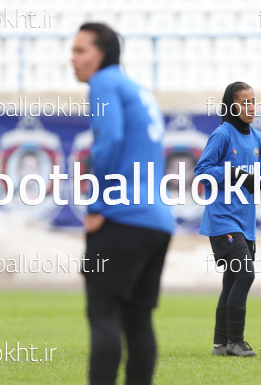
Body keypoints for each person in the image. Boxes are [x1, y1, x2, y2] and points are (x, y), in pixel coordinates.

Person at [71, 22, 174, 385]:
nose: (72, 58)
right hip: (157, 220)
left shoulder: (104, 82)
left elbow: (110, 140)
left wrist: (97, 204)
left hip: (123, 216)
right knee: (138, 320)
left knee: (104, 315)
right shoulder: (138, 89)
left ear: (102, 54)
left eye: (81, 50)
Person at [195, 81, 261, 357]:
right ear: (232, 106)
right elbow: (202, 171)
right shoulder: (222, 134)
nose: (251, 107)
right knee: (245, 274)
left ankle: (221, 344)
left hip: (246, 223)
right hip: (222, 219)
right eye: (245, 102)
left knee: (232, 280)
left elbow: (255, 180)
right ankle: (236, 341)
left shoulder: (257, 138)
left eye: (253, 101)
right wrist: (233, 173)